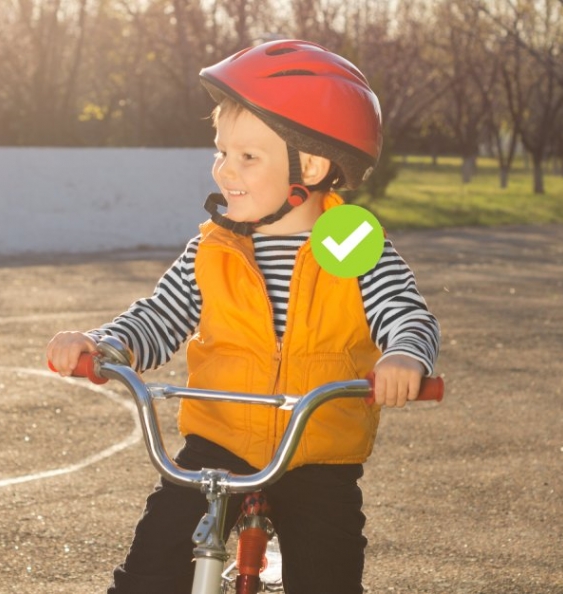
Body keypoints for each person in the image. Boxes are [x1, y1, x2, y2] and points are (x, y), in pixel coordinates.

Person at [46, 39, 440, 594]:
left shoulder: (354, 248)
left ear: (314, 165)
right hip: (219, 442)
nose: (223, 170)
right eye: (221, 151)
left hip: (317, 450)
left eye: (247, 157)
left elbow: (405, 313)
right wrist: (105, 344)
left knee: (329, 576)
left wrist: (404, 355)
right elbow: (161, 316)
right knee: (151, 568)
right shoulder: (213, 248)